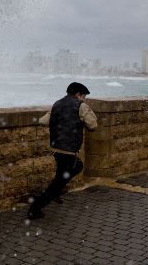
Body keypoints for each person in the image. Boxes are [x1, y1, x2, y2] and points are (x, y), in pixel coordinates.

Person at [27, 81, 98, 220]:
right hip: (69, 150)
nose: (84, 99)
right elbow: (93, 125)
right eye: (84, 96)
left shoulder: (57, 104)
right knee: (71, 171)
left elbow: (42, 121)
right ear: (78, 94)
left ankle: (56, 192)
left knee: (64, 174)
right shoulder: (81, 106)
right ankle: (35, 208)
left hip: (56, 149)